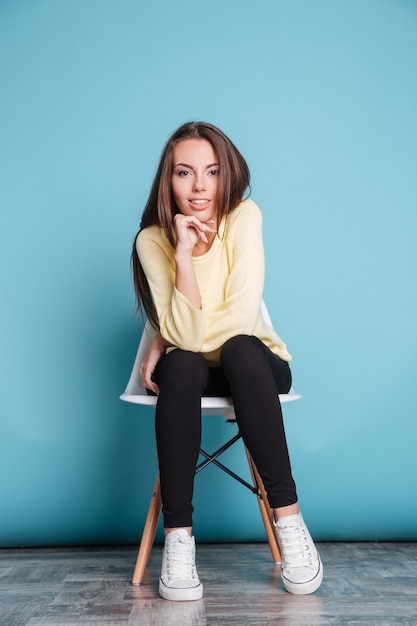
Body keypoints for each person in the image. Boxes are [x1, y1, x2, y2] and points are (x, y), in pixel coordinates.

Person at [131, 121, 323, 601]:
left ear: (227, 175)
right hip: (190, 374)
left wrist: (165, 333)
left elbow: (238, 321)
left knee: (238, 349)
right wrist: (185, 253)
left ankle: (290, 521)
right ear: (167, 180)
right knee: (184, 364)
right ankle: (178, 540)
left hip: (256, 366)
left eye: (212, 172)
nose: (199, 186)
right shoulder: (153, 241)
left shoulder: (244, 217)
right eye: (185, 173)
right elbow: (190, 340)